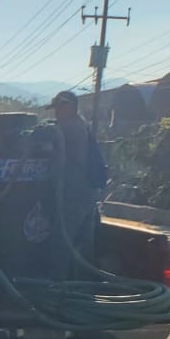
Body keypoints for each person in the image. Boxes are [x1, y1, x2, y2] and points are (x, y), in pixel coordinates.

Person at [50, 89, 108, 266]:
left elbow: (45, 142)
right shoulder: (82, 125)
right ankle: (83, 284)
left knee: (62, 242)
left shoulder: (68, 128)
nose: (56, 113)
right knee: (84, 243)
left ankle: (58, 285)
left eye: (59, 108)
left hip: (73, 194)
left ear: (69, 107)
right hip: (87, 194)